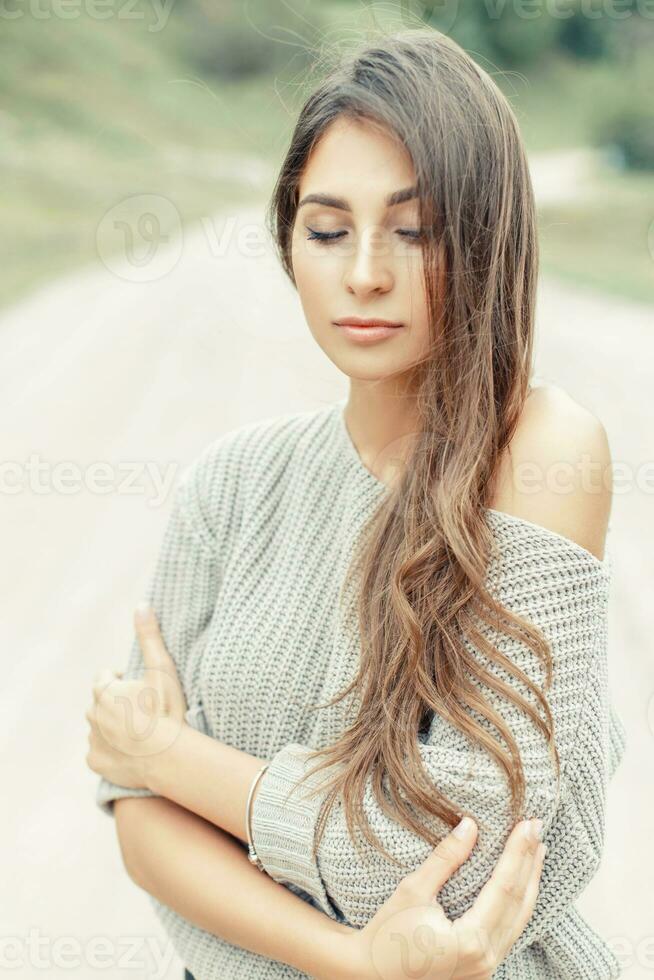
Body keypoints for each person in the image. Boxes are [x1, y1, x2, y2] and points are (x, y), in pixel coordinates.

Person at [86, 25, 625, 980]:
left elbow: (456, 864)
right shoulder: (232, 482)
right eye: (328, 229)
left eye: (414, 230)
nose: (365, 272)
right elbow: (141, 826)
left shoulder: (541, 449)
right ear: (289, 242)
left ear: (487, 234)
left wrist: (173, 758)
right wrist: (355, 958)